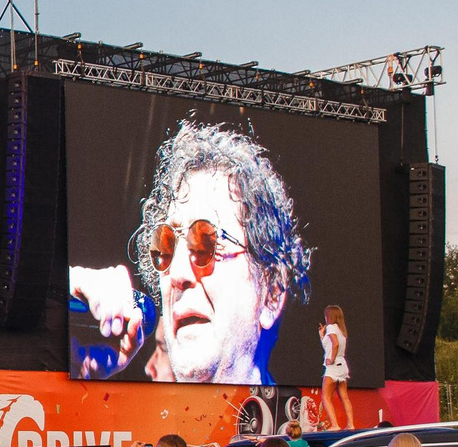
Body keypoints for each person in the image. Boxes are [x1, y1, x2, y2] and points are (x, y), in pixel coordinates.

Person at [70, 120, 313, 385]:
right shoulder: (125, 421)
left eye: (206, 243)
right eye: (166, 246)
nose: (177, 273)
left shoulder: (306, 426)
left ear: (272, 294)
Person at [318, 305, 353, 430]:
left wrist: (331, 358)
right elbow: (329, 346)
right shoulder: (341, 330)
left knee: (326, 396)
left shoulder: (332, 327)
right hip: (342, 365)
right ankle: (351, 424)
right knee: (344, 396)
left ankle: (335, 425)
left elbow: (335, 344)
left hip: (333, 365)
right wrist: (322, 336)